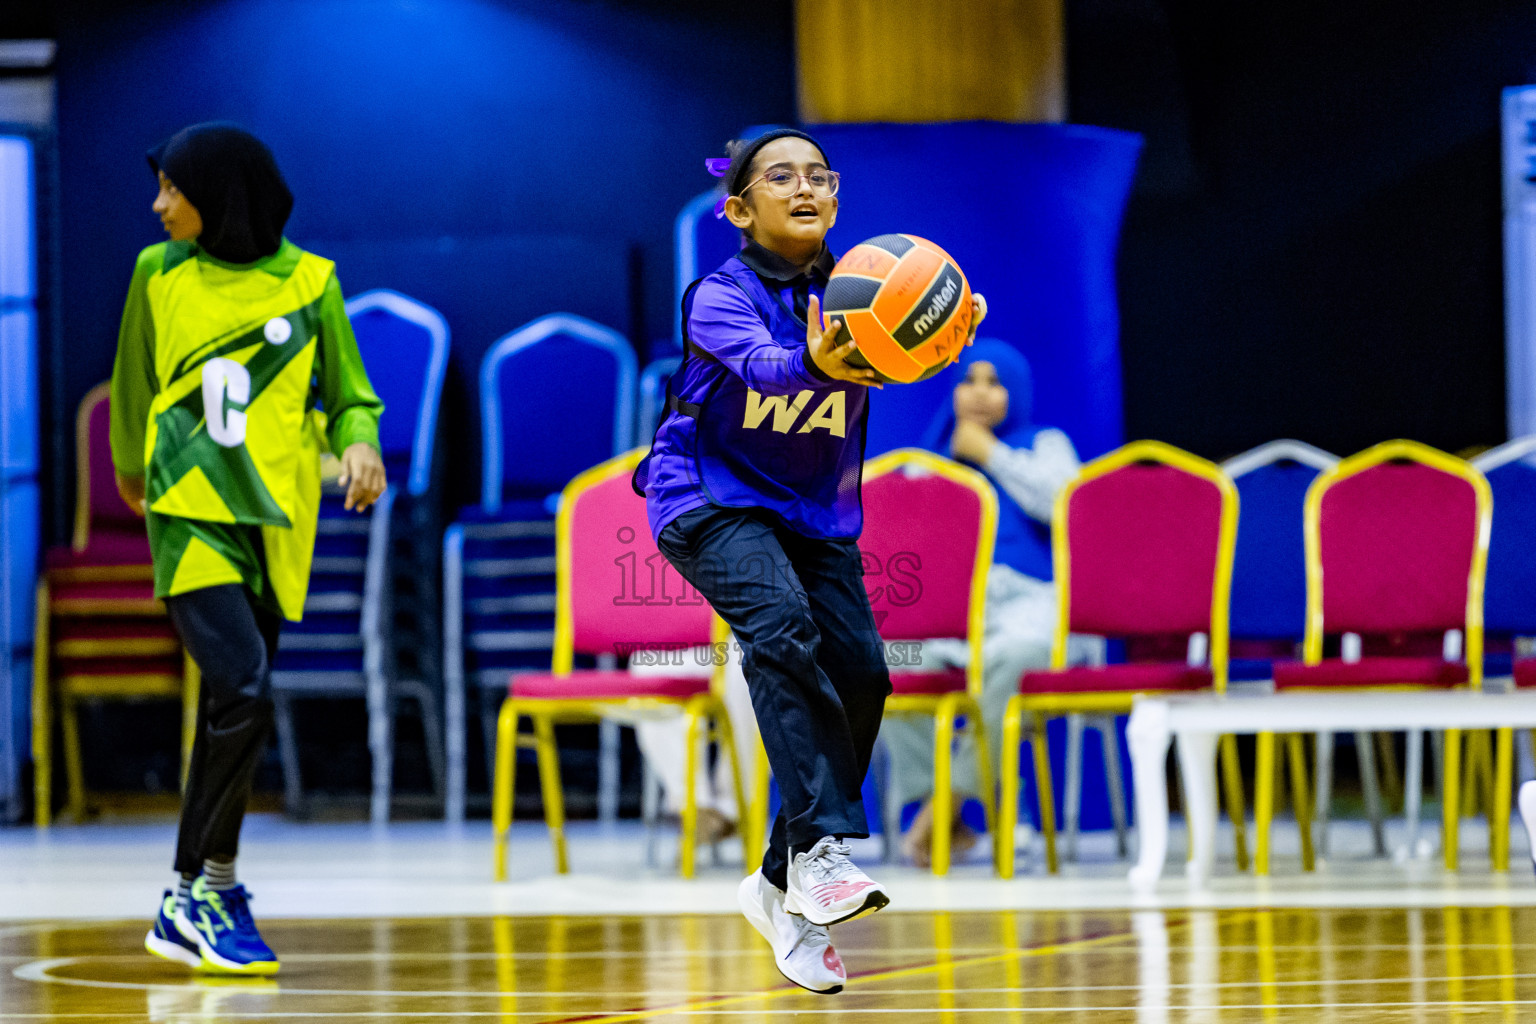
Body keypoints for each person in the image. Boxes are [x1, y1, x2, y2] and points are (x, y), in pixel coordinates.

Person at [634, 127, 985, 995]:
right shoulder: (718, 295)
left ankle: (777, 882)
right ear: (738, 208)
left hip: (812, 512)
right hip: (709, 498)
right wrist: (814, 359)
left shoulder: (867, 284)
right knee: (779, 627)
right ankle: (822, 854)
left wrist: (941, 334)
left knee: (866, 672)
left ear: (835, 199)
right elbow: (763, 368)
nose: (804, 187)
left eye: (819, 176)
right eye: (779, 176)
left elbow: (900, 354)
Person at [112, 122, 386, 975]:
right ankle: (210, 886)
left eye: (172, 189)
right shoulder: (157, 273)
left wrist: (362, 442)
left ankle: (189, 897)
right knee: (242, 685)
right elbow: (132, 390)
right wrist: (141, 489)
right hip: (188, 512)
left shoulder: (311, 284)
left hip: (273, 520)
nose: (158, 205)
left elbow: (348, 397)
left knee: (231, 707)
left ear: (220, 196)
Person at [878, 341, 1086, 866]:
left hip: (1027, 604)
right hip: (951, 614)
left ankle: (940, 812)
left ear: (1015, 392)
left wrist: (990, 453)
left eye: (995, 382)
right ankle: (945, 811)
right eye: (968, 381)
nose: (979, 393)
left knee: (1010, 660)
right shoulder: (929, 463)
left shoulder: (1043, 443)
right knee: (884, 663)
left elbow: (1066, 504)